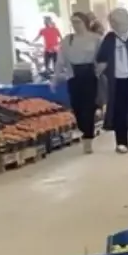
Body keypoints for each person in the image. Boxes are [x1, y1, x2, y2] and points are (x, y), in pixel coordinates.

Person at [96, 8, 128, 153]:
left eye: (115, 22)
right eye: (112, 23)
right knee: (119, 111)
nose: (113, 25)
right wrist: (98, 72)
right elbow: (102, 58)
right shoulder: (110, 37)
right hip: (116, 80)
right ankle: (121, 142)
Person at [55, 12, 103, 154]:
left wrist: (100, 71)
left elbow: (102, 58)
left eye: (78, 22)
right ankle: (83, 129)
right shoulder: (68, 39)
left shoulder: (96, 39)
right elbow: (60, 59)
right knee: (76, 106)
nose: (75, 25)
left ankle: (88, 138)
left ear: (85, 23)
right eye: (73, 22)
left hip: (90, 75)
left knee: (88, 107)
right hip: (73, 75)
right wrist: (56, 76)